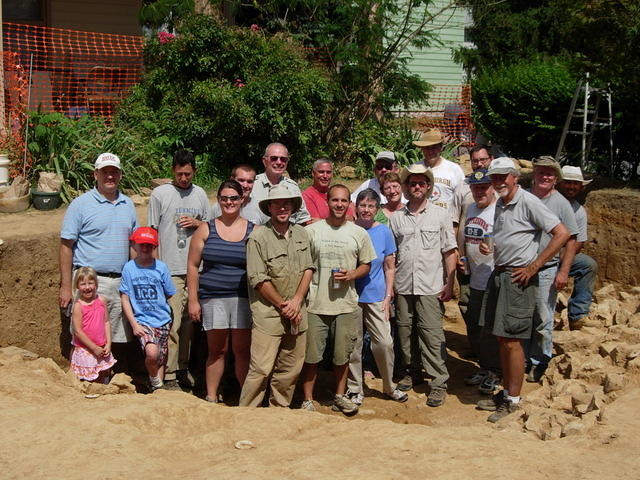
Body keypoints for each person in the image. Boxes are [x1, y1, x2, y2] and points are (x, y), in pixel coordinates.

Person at [477, 157, 569, 422]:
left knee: (513, 341)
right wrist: (491, 248)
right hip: (501, 274)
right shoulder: (501, 203)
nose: (498, 181)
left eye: (503, 176)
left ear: (515, 177)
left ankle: (513, 400)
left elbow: (561, 233)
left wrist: (535, 266)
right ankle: (507, 393)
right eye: (494, 177)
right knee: (503, 339)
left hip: (518, 279)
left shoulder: (528, 201)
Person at [300, 184, 376, 415]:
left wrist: (353, 274)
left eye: (344, 201)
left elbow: (367, 263)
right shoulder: (312, 231)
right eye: (335, 200)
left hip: (345, 304)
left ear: (349, 203)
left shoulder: (358, 233)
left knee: (342, 356)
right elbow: (304, 265)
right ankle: (308, 400)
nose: (339, 205)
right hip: (316, 303)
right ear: (327, 202)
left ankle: (340, 396)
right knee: (312, 356)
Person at [59, 152, 137, 371]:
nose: (110, 176)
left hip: (119, 281)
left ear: (120, 174)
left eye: (114, 172)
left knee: (117, 334)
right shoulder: (80, 205)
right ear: (96, 174)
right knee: (86, 334)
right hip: (90, 283)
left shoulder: (128, 204)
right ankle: (83, 377)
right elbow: (66, 246)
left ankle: (112, 378)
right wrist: (66, 286)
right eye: (105, 172)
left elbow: (133, 244)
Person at [239, 184, 314, 407]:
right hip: (268, 315)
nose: (282, 208)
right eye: (277, 204)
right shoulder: (258, 238)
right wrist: (284, 306)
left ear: (292, 206)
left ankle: (279, 411)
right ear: (269, 208)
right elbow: (258, 279)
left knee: (290, 368)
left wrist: (297, 301)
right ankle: (246, 414)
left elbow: (308, 268)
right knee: (261, 368)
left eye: (286, 203)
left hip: (297, 312)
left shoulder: (302, 233)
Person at [389, 164, 457, 407]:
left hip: (430, 286)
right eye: (412, 183)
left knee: (431, 334)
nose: (416, 187)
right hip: (404, 285)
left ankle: (438, 382)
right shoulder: (396, 219)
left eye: (421, 183)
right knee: (405, 332)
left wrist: (450, 282)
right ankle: (412, 372)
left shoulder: (440, 215)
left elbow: (450, 251)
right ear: (406, 188)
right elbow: (391, 256)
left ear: (428, 187)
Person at [148, 150, 211, 390]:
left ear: (194, 171)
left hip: (195, 269)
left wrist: (197, 223)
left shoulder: (201, 195)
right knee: (171, 323)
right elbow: (152, 233)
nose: (184, 178)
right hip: (170, 269)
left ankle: (183, 368)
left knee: (189, 324)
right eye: (179, 173)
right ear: (172, 170)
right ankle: (170, 373)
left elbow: (209, 228)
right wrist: (155, 269)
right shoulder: (160, 194)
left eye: (188, 173)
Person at [187, 180, 254, 403]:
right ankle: (212, 396)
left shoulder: (254, 230)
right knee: (217, 350)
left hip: (242, 299)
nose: (229, 202)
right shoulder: (206, 228)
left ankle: (247, 398)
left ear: (242, 199)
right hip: (213, 297)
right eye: (224, 198)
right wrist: (193, 300)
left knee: (242, 351)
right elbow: (193, 266)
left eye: (234, 198)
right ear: (218, 200)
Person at [346, 189, 408, 405]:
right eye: (362, 205)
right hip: (351, 296)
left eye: (371, 206)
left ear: (377, 209)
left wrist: (388, 295)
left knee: (384, 343)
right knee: (353, 345)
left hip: (376, 295)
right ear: (355, 207)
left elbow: (390, 266)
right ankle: (355, 388)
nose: (366, 210)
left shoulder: (384, 232)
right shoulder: (348, 230)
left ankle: (389, 386)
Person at [526, 156, 579, 382]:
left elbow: (572, 240)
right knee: (522, 316)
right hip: (520, 267)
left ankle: (540, 360)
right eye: (541, 172)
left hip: (546, 269)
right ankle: (524, 357)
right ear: (534, 174)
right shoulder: (524, 197)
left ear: (556, 178)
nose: (545, 177)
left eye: (550, 173)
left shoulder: (561, 204)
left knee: (543, 317)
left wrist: (563, 271)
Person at [457, 169, 501, 394]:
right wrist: (463, 257)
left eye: (483, 187)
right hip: (474, 277)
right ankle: (485, 368)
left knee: (488, 328)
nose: (479, 191)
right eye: (475, 187)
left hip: (492, 278)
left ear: (492, 187)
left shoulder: (500, 210)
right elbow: (464, 235)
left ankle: (495, 371)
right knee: (474, 325)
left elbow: (510, 241)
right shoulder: (471, 207)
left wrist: (495, 248)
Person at [120, 227, 176, 391]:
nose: (145, 248)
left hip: (162, 319)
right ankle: (155, 382)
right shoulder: (129, 268)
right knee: (151, 353)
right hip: (143, 321)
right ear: (134, 246)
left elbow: (169, 293)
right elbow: (125, 297)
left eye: (149, 245)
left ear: (154, 247)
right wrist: (134, 324)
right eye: (142, 244)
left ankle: (157, 391)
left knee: (160, 357)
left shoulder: (161, 268)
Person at [558, 166, 598, 329]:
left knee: (588, 265)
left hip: (562, 255)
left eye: (575, 183)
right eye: (568, 182)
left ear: (581, 187)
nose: (571, 187)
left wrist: (564, 264)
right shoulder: (546, 202)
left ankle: (578, 315)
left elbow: (579, 242)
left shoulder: (579, 211)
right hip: (537, 255)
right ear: (559, 183)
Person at [69, 267, 117, 383]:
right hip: (86, 349)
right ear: (77, 286)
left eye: (90, 283)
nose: (87, 287)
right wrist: (93, 348)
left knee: (102, 373)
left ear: (96, 284)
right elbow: (78, 332)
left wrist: (108, 344)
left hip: (101, 347)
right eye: (83, 284)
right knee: (87, 378)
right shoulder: (78, 306)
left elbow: (106, 322)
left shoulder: (102, 300)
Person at [250, 143, 311, 225]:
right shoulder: (251, 185)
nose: (279, 162)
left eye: (283, 159)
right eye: (274, 158)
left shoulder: (293, 187)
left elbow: (302, 219)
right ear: (264, 161)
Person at [413, 129, 465, 219]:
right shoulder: (415, 169)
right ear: (422, 149)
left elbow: (462, 198)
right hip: (420, 221)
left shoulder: (454, 169)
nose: (430, 151)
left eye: (434, 147)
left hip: (446, 222)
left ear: (441, 148)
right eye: (427, 147)